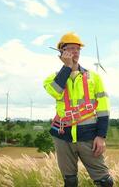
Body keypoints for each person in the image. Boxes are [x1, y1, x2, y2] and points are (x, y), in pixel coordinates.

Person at [43, 32, 113, 187]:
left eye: (77, 49)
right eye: (70, 48)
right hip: (62, 137)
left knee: (104, 182)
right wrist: (67, 67)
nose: (75, 52)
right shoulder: (52, 78)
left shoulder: (94, 77)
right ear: (61, 53)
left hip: (88, 136)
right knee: (70, 182)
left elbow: (103, 108)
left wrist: (101, 136)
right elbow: (55, 91)